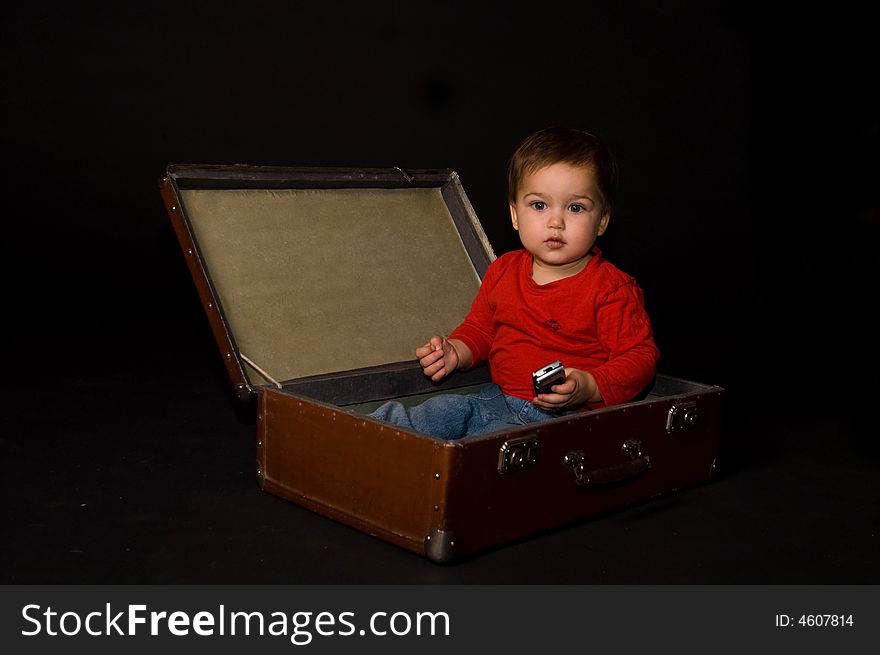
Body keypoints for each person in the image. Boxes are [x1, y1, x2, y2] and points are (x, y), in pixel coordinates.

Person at [369, 126, 660, 439]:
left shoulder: (611, 288)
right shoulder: (503, 271)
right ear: (515, 215)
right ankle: (359, 434)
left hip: (565, 419)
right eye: (539, 205)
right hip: (498, 398)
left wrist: (589, 386)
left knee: (488, 446)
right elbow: (481, 330)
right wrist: (456, 350)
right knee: (440, 411)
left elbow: (640, 358)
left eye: (575, 208)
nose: (556, 222)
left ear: (602, 220)